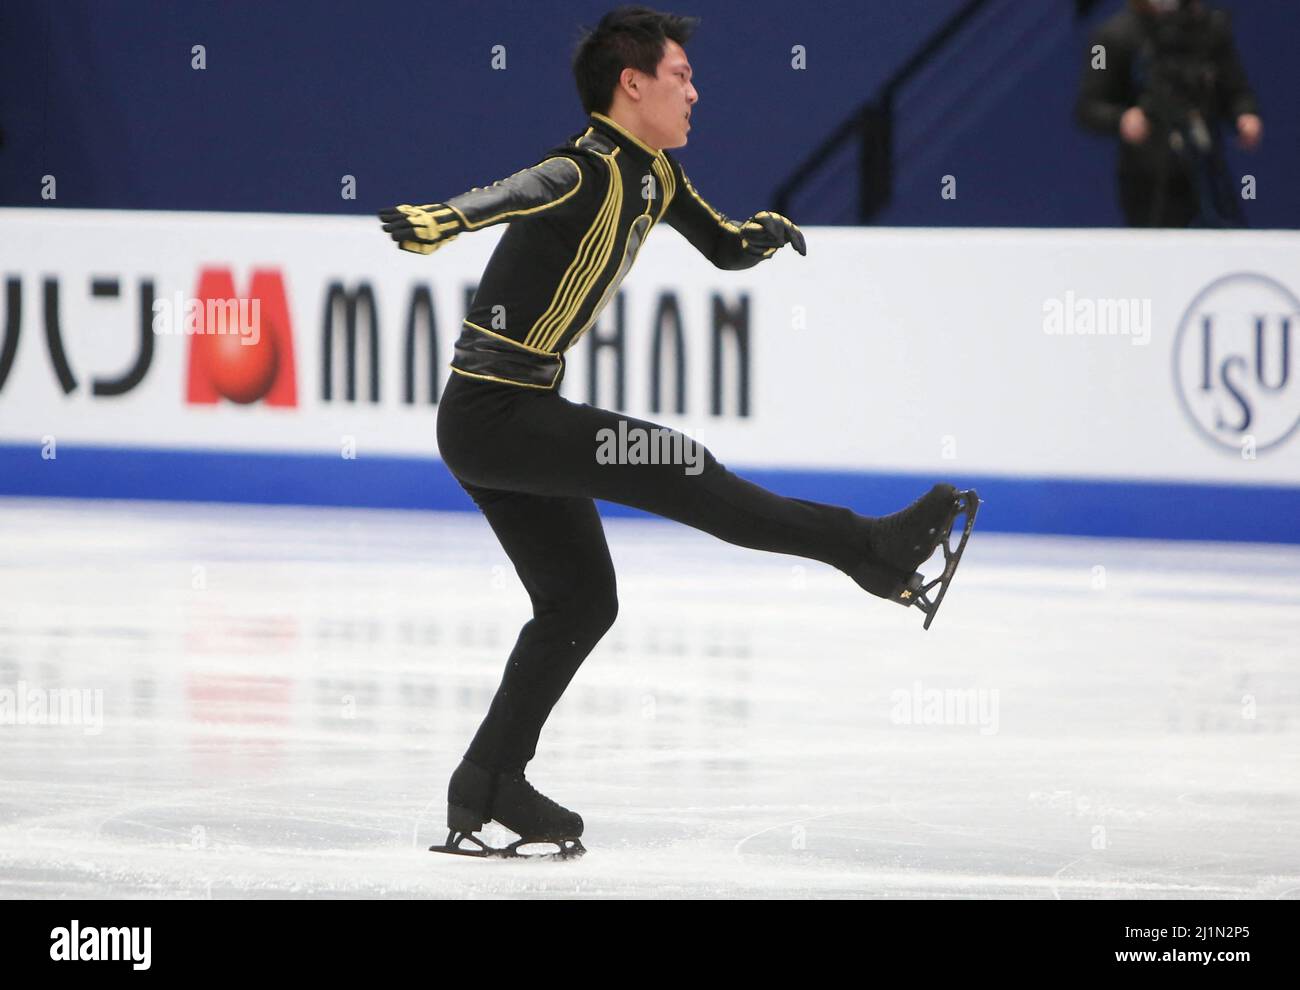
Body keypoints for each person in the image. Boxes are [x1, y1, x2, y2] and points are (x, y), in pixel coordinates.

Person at [379, 5, 976, 859]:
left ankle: (489, 781)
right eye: (680, 76)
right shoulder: (581, 167)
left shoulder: (654, 174)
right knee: (678, 463)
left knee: (582, 601)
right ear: (633, 84)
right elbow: (513, 193)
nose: (696, 91)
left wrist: (757, 238)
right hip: (495, 416)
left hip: (505, 421)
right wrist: (444, 219)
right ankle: (871, 553)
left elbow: (720, 245)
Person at [1075, 0, 1262, 228]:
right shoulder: (1111, 38)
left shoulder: (1209, 29)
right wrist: (1122, 119)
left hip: (1204, 162)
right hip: (1147, 175)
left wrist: (1245, 114)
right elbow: (1089, 106)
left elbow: (1235, 88)